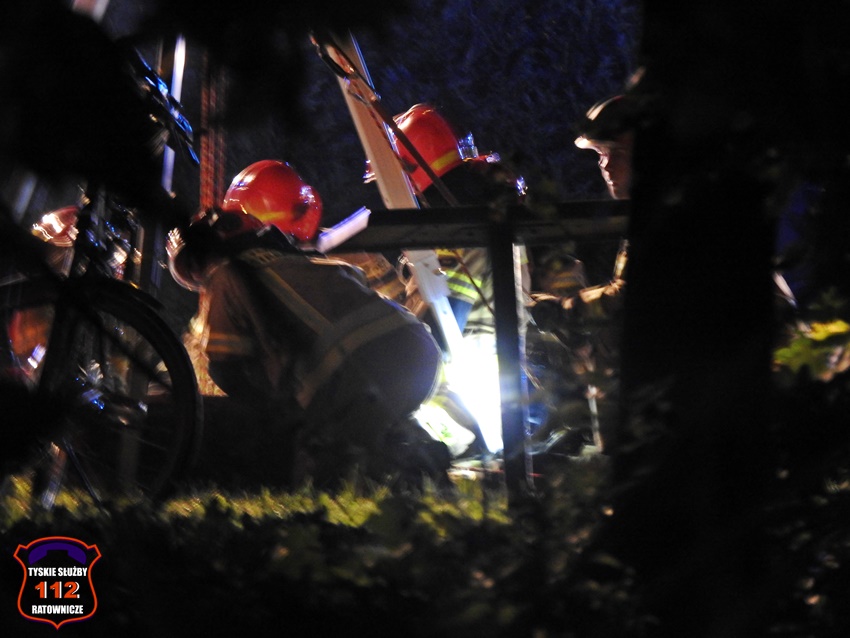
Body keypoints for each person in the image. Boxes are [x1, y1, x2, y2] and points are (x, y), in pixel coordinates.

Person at [167, 160, 450, 489]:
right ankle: (413, 454)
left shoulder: (225, 278)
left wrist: (276, 414)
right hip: (417, 352)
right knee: (371, 423)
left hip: (359, 375)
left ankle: (396, 462)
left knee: (319, 469)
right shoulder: (302, 263)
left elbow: (224, 369)